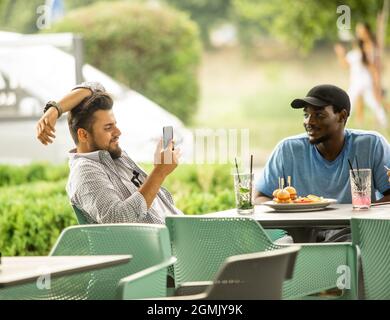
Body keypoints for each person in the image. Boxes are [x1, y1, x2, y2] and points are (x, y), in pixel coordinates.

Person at [254, 84, 390, 241]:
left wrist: (365, 211)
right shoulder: (288, 149)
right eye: (306, 115)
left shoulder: (371, 144)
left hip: (356, 234)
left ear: (342, 116)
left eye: (319, 115)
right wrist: (288, 209)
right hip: (302, 237)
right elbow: (259, 198)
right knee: (279, 249)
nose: (309, 122)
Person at [36, 82, 183, 224]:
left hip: (181, 233)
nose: (118, 132)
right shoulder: (85, 172)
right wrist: (159, 172)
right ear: (83, 135)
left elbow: (95, 87)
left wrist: (55, 109)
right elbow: (117, 218)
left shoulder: (113, 156)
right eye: (108, 127)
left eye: (115, 125)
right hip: (170, 245)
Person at [334, 22, 387, 128]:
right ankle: (384, 121)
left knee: (348, 101)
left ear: (367, 32)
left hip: (361, 81)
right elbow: (346, 64)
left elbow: (373, 66)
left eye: (360, 31)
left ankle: (341, 124)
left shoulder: (368, 47)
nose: (358, 33)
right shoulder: (360, 47)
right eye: (358, 31)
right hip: (361, 80)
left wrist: (376, 82)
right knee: (371, 101)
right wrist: (340, 54)